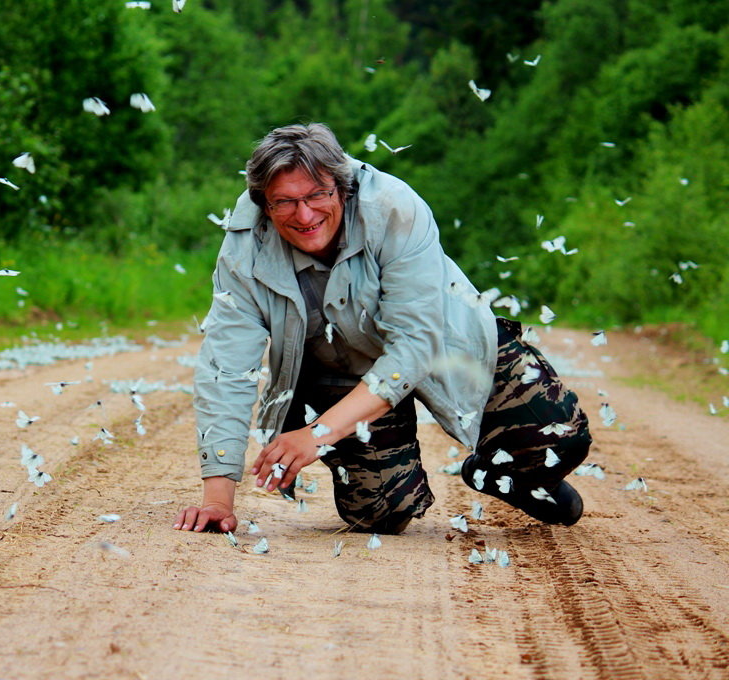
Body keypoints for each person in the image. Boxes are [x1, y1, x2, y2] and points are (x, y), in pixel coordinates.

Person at [174, 123, 592, 536]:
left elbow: (415, 344)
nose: (304, 215)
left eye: (318, 195)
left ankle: (504, 473)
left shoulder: (394, 207)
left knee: (562, 439)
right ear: (264, 204)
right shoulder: (245, 246)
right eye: (285, 202)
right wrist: (217, 500)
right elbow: (225, 367)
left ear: (342, 187)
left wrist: (318, 434)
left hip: (441, 342)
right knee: (381, 514)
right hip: (343, 370)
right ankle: (393, 480)